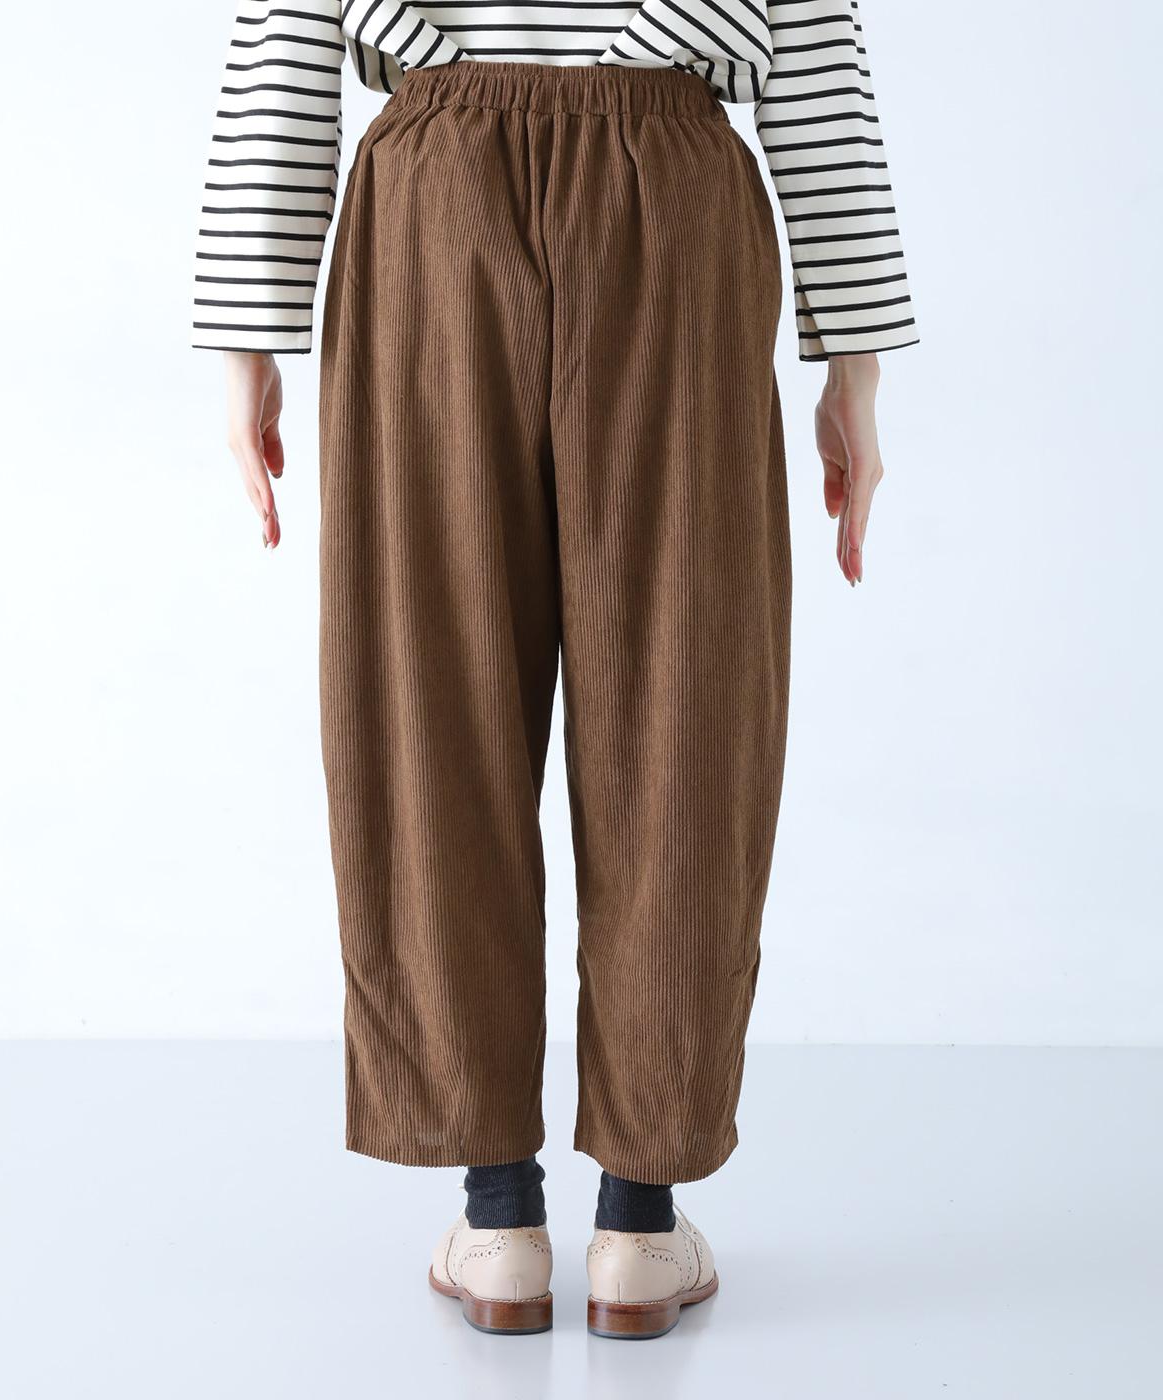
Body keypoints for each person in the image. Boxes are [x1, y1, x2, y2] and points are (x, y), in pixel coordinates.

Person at [194, 0, 916, 1340]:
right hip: (672, 194)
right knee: (684, 696)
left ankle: (498, 1219)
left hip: (436, 202)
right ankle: (638, 1225)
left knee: (428, 684)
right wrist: (855, 365)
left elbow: (288, 39)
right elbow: (815, 55)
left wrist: (248, 340)